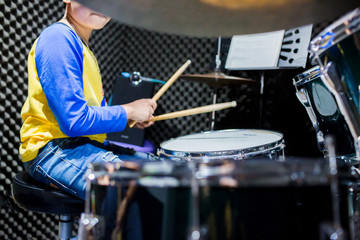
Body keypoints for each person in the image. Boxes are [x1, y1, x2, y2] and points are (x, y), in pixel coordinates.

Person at [19, 0, 157, 200]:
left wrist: (127, 119)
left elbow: (85, 116)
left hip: (80, 143)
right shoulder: (58, 38)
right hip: (51, 149)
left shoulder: (80, 45)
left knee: (161, 171)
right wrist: (128, 110)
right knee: (136, 191)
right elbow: (74, 121)